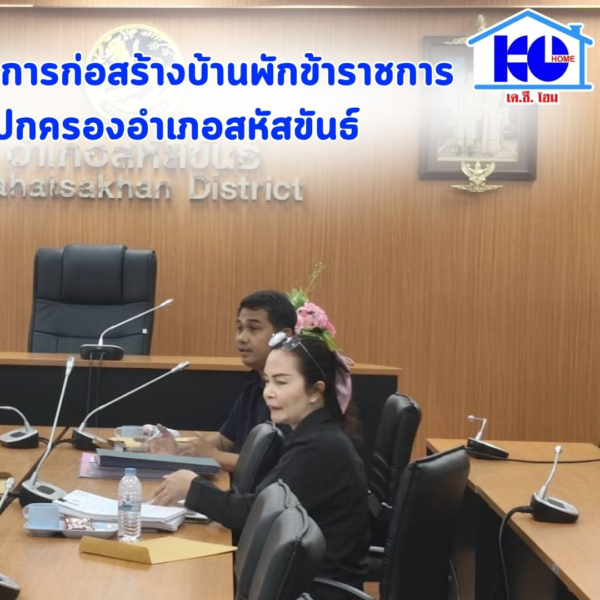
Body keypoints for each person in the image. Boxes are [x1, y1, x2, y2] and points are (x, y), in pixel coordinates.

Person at [152, 334, 370, 595]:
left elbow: (254, 516)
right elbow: (260, 506)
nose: (268, 392)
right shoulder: (313, 435)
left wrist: (193, 488)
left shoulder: (319, 447)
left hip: (315, 590)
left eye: (281, 382)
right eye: (267, 381)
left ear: (315, 391)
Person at [149, 290, 296, 471]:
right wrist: (178, 450)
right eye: (239, 328)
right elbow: (224, 441)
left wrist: (215, 456)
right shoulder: (253, 386)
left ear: (284, 336)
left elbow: (280, 466)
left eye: (254, 328)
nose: (242, 338)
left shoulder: (294, 395)